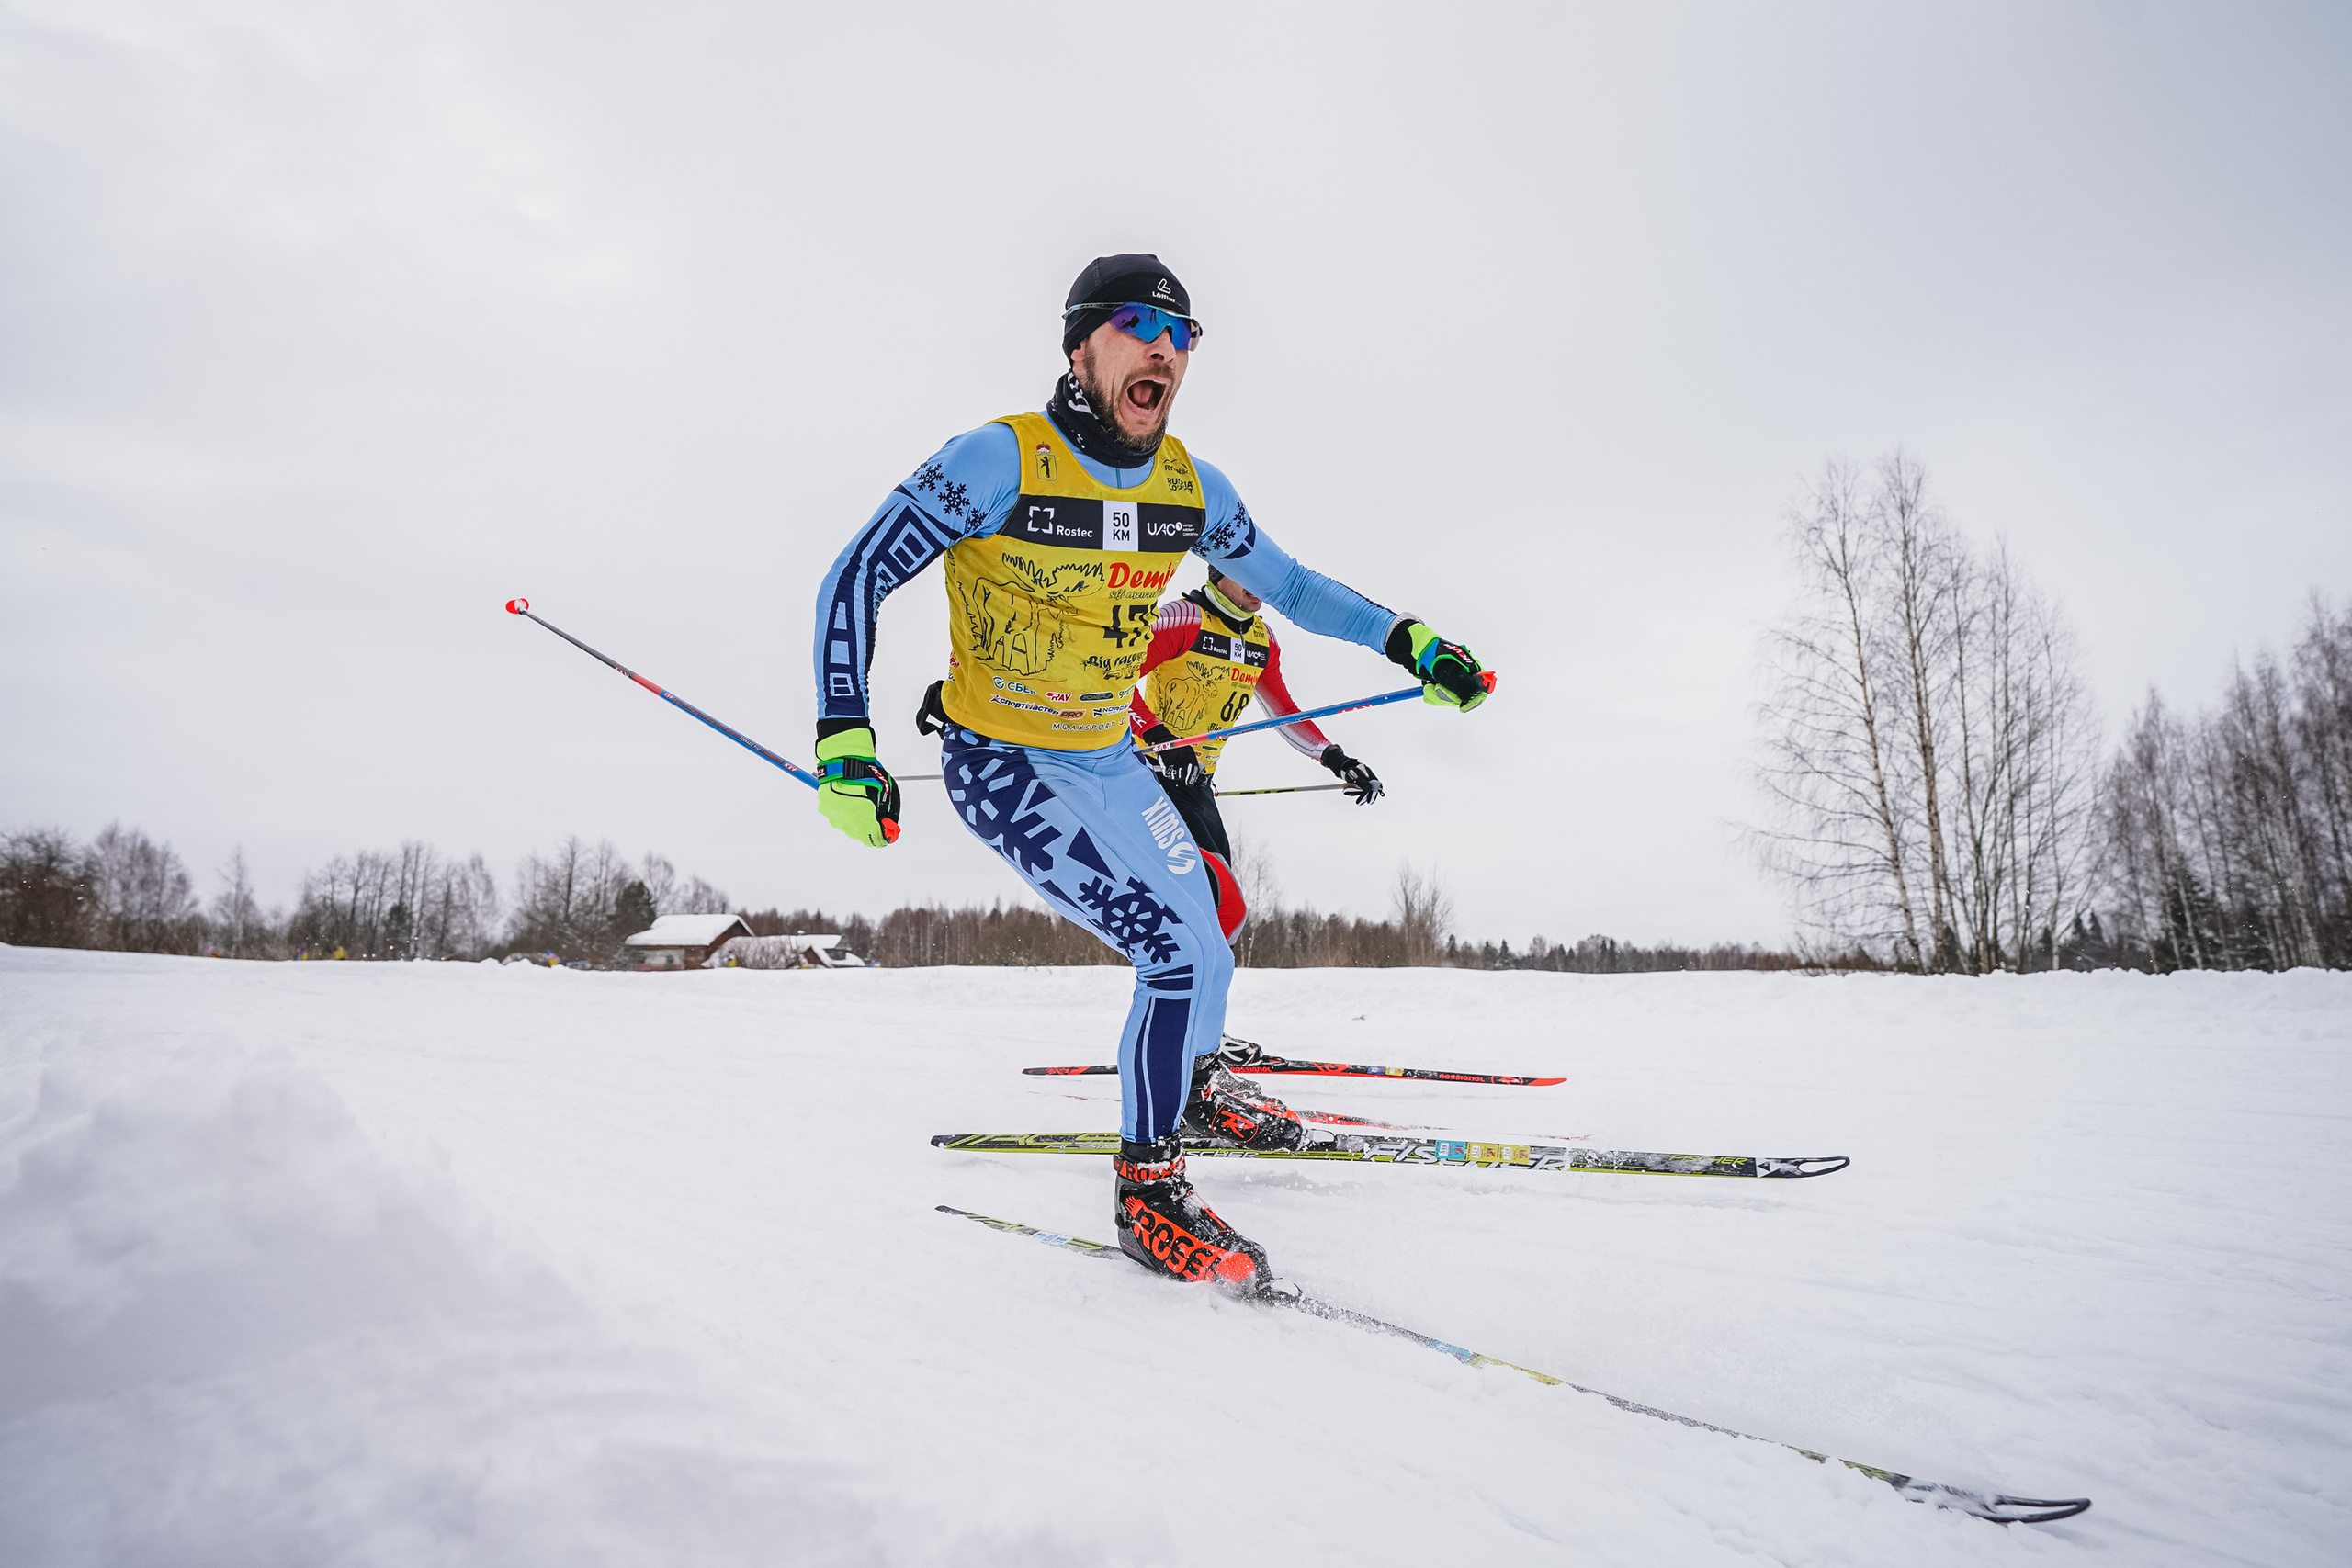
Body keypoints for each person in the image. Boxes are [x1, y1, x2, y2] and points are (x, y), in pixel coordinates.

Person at [810, 254, 1488, 1291]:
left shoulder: (1190, 491)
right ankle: (1147, 1193)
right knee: (1174, 947)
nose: (1164, 352)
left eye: (1184, 336)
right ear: (1081, 346)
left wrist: (1408, 640)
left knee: (1210, 919)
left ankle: (1190, 1084)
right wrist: (842, 737)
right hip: (1006, 763)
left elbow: (1294, 587)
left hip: (1110, 762)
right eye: (1137, 326)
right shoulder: (1001, 460)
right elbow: (858, 573)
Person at [1129, 564, 1385, 878]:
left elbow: (1284, 713)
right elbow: (1111, 683)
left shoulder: (1262, 641)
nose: (1257, 583)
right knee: (1209, 895)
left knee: (1224, 901)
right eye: (1244, 573)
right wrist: (1161, 741)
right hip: (1151, 777)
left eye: (1262, 574)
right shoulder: (1182, 620)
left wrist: (1337, 759)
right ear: (1218, 575)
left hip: (1199, 783)